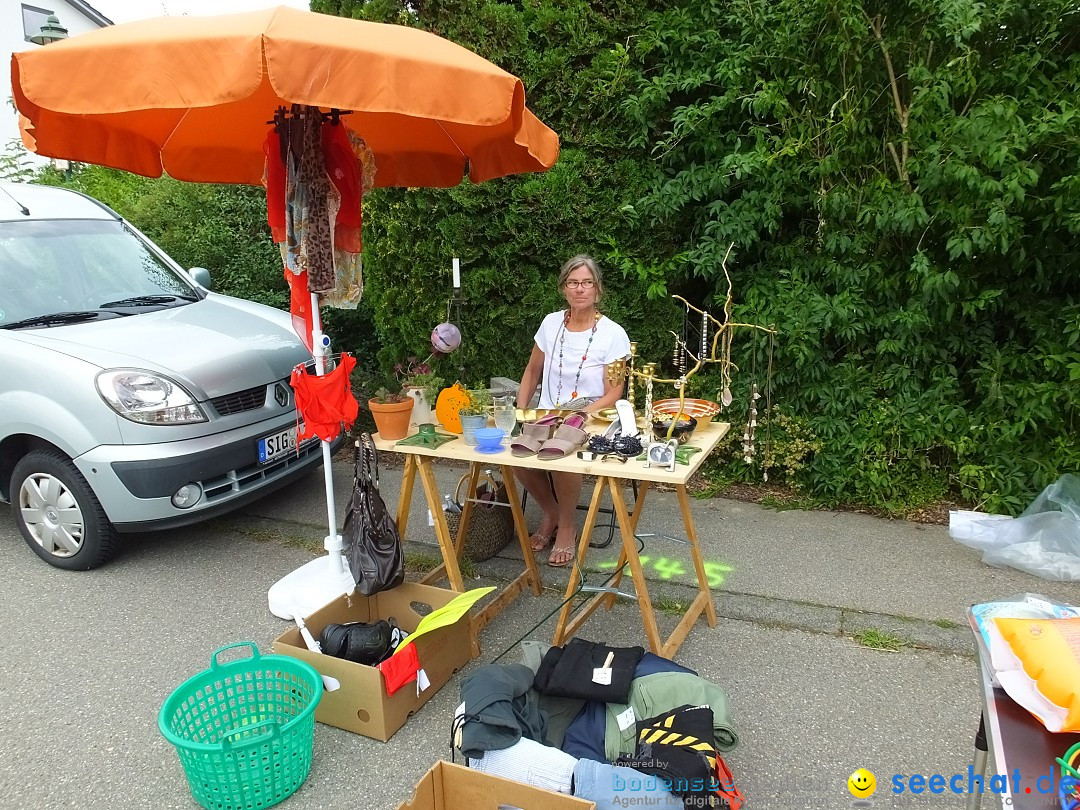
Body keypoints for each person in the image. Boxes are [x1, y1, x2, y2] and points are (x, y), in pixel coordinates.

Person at [515, 254, 631, 566]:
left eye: (586, 283)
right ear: (564, 288)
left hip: (591, 415)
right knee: (515, 453)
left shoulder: (613, 333)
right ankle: (551, 511)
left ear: (597, 289)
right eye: (573, 283)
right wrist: (520, 410)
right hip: (547, 413)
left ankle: (566, 527)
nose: (580, 289)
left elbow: (615, 392)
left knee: (563, 457)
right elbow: (531, 372)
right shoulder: (550, 323)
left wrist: (579, 415)